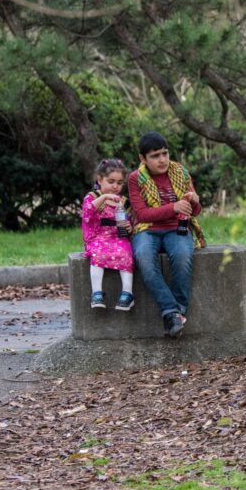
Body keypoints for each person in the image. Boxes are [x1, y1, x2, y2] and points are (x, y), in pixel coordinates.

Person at [127, 132, 205, 339]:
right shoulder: (136, 178)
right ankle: (171, 312)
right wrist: (173, 207)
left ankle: (177, 313)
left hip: (177, 228)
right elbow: (141, 214)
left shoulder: (181, 172)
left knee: (181, 258)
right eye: (155, 156)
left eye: (164, 153)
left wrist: (194, 201)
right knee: (144, 258)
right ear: (143, 159)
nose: (162, 159)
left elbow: (194, 211)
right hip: (147, 229)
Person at [81, 158, 135, 311]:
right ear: (100, 180)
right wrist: (103, 198)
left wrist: (128, 227)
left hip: (117, 237)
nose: (115, 186)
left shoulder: (123, 202)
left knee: (126, 254)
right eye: (111, 181)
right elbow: (87, 213)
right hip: (98, 237)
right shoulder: (92, 197)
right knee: (98, 254)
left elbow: (129, 222)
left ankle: (127, 293)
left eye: (119, 183)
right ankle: (97, 293)